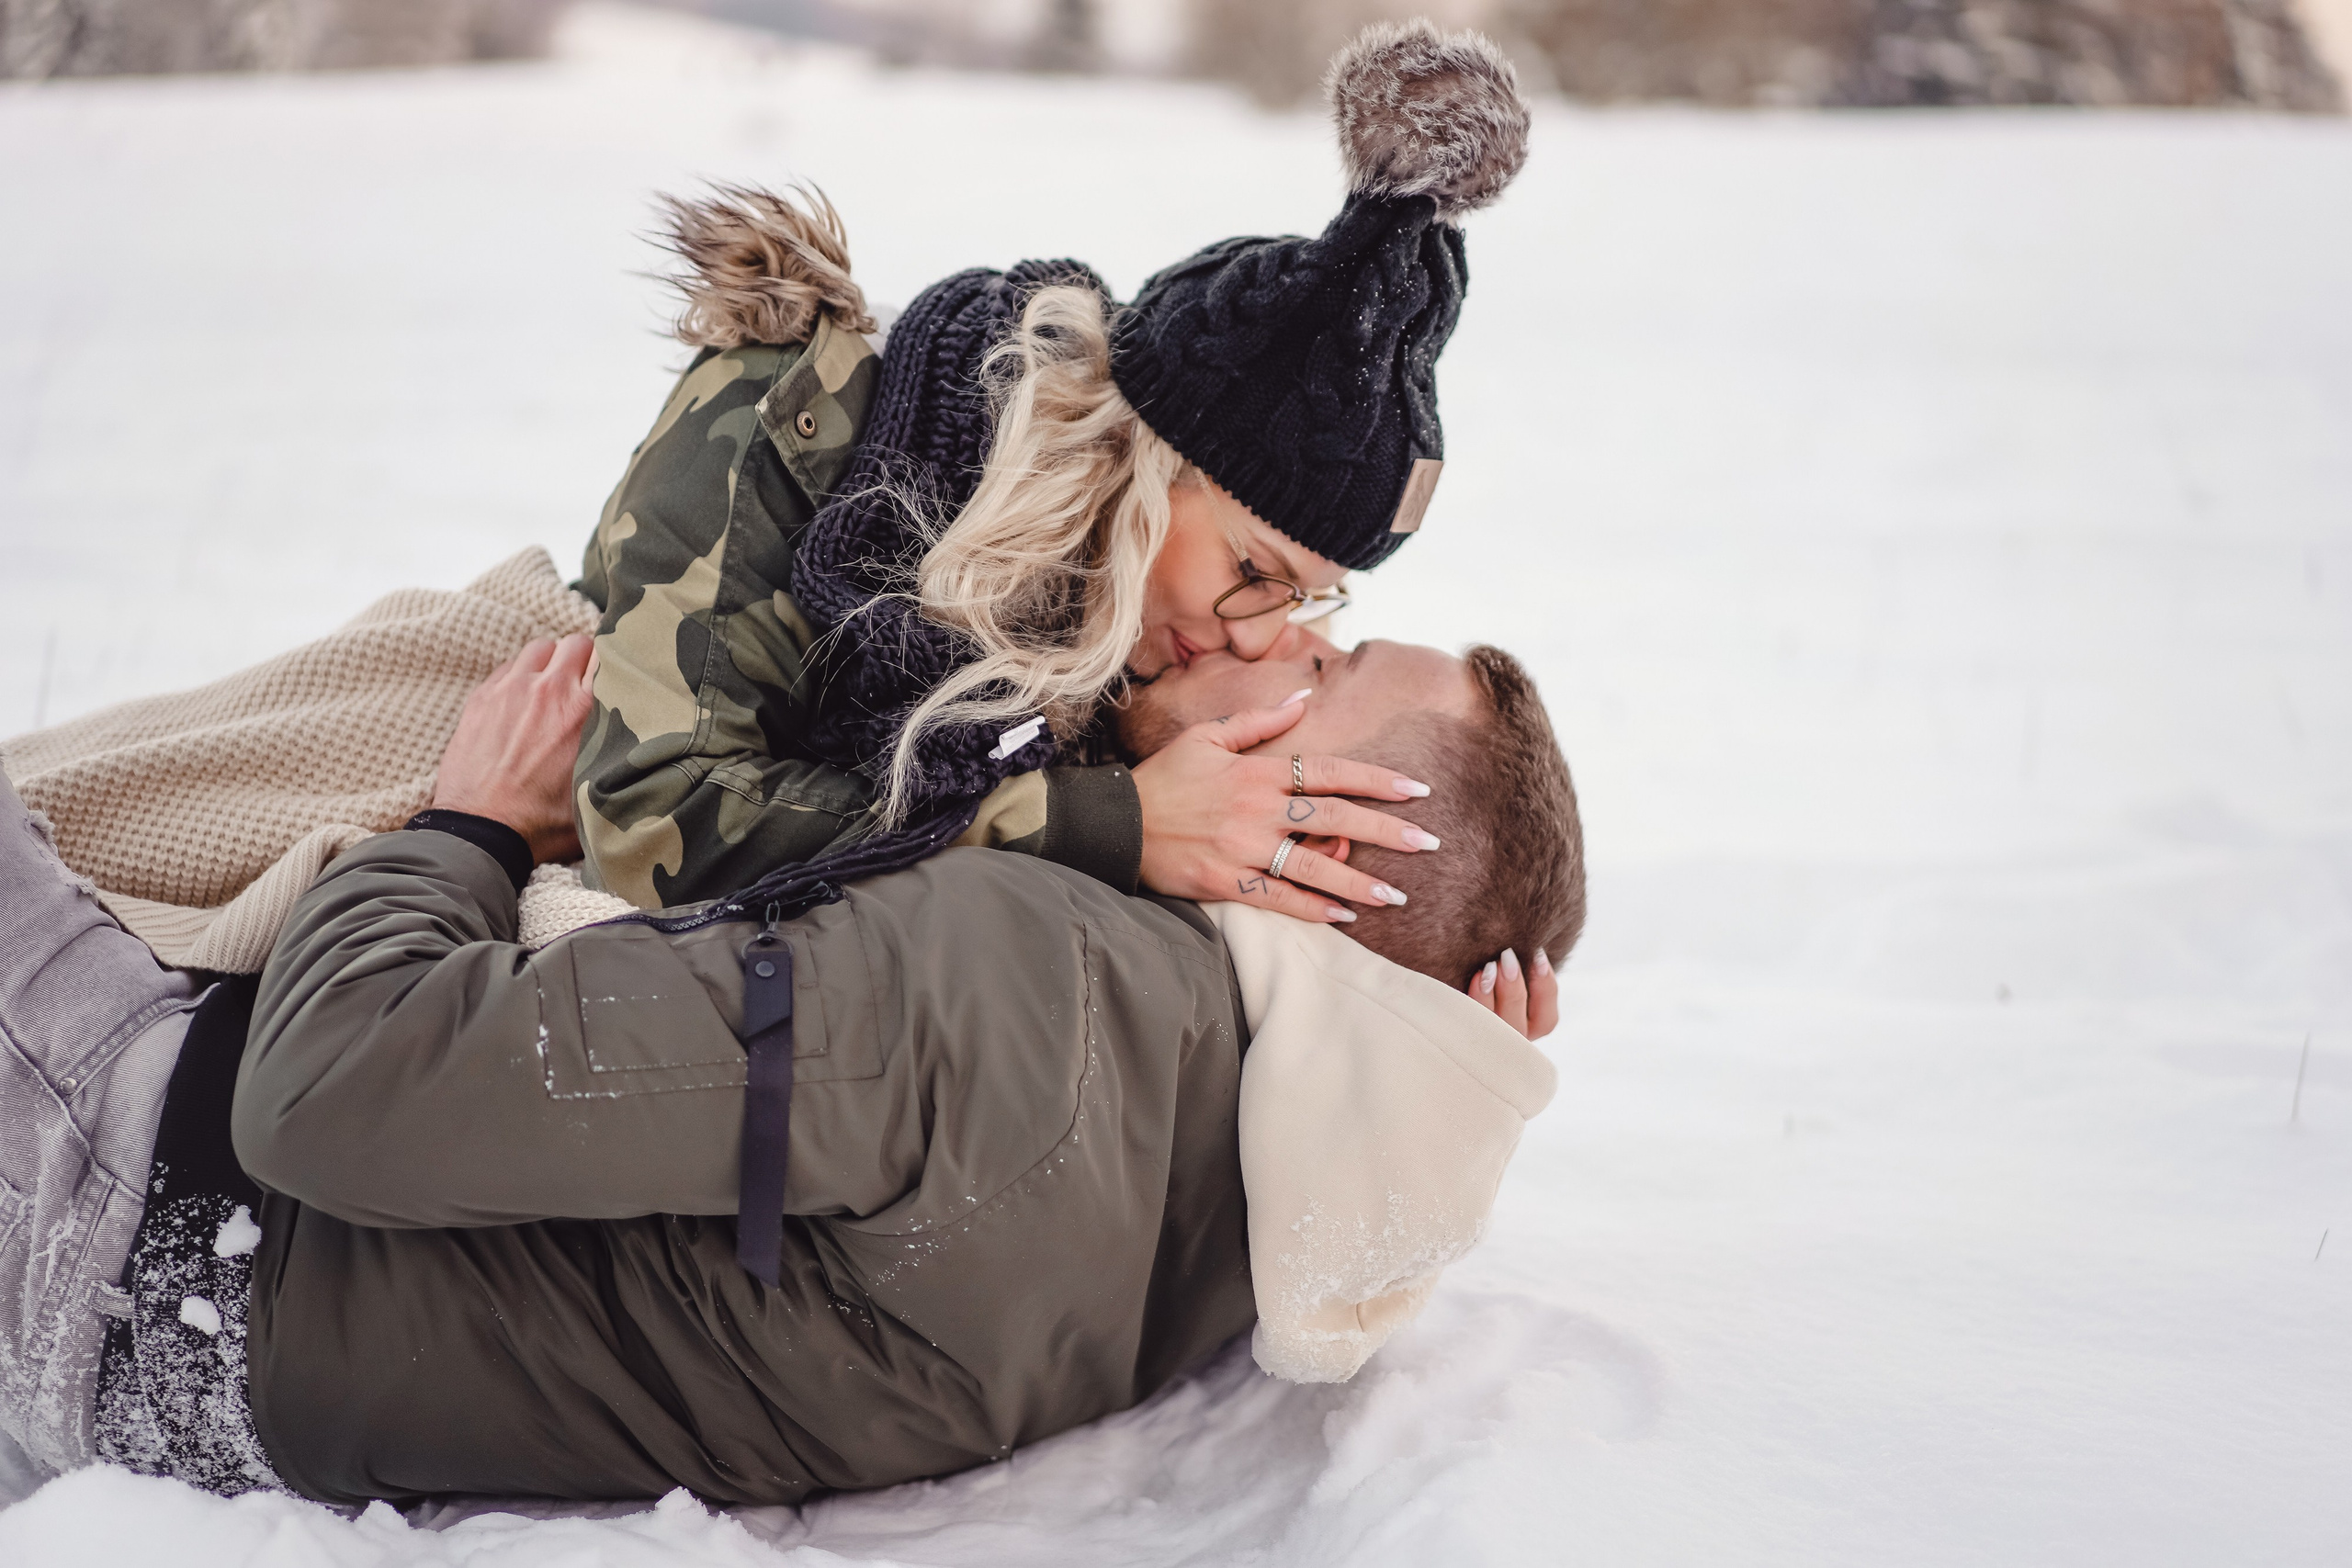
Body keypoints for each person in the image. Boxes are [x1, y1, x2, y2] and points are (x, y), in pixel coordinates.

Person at [0, 626, 1582, 1503]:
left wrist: (470, 822)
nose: (1280, 627)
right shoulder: (1258, 1203)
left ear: (1325, 832)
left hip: (137, 1194)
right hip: (222, 1374)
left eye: (1337, 659)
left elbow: (342, 1087)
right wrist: (1446, 1093)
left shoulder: (1023, 1001)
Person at [572, 21, 1535, 936]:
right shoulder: (784, 419)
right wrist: (1102, 822)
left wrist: (1433, 1008)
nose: (1253, 636)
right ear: (1152, 463)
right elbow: (653, 821)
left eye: (1304, 601)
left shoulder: (1122, 639)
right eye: (1255, 571)